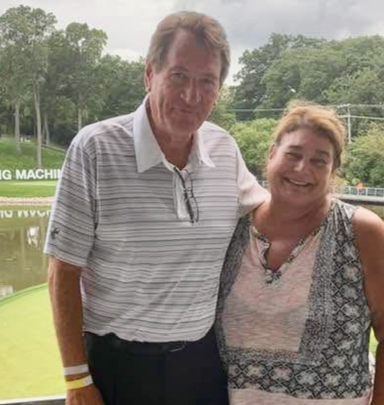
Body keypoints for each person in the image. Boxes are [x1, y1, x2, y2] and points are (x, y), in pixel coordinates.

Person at [44, 11, 267, 405]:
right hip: (119, 368)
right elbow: (63, 270)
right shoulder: (94, 149)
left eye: (207, 81)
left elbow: (274, 215)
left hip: (202, 366)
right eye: (179, 76)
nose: (192, 95)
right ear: (150, 74)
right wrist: (77, 380)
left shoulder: (224, 149)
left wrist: (353, 222)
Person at [215, 104, 384, 405]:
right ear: (271, 154)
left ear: (333, 171)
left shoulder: (362, 233)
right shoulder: (233, 227)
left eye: (319, 161)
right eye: (293, 154)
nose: (302, 169)